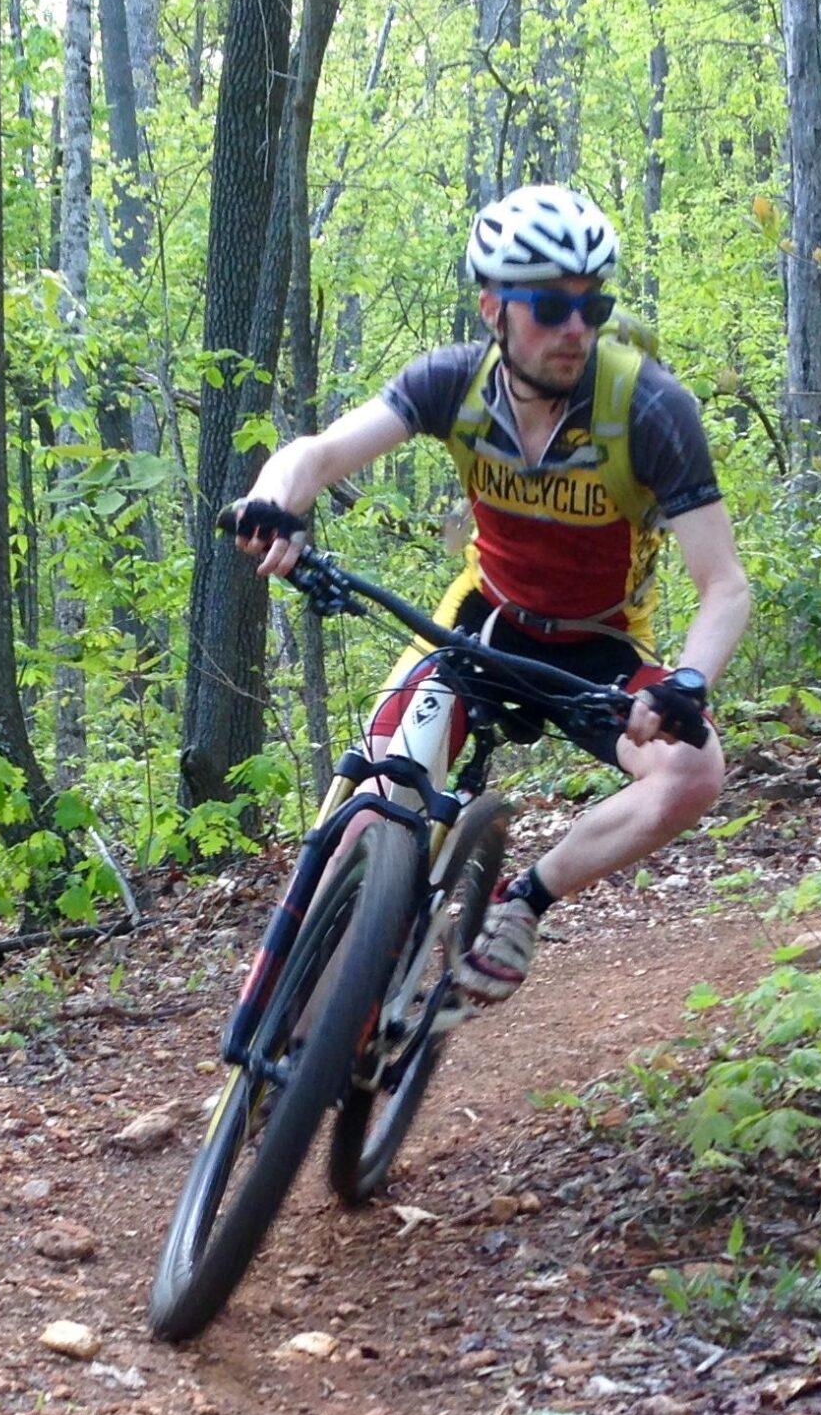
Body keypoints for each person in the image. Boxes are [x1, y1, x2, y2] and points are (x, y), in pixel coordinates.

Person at [227, 184, 751, 1009]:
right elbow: (317, 454)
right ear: (493, 309)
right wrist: (274, 502)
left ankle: (523, 903)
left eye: (592, 305)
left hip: (599, 646)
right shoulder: (452, 386)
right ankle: (294, 1018)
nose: (576, 328)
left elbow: (722, 584)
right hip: (486, 620)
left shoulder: (651, 410)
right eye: (549, 306)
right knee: (375, 802)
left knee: (692, 773)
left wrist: (690, 682)